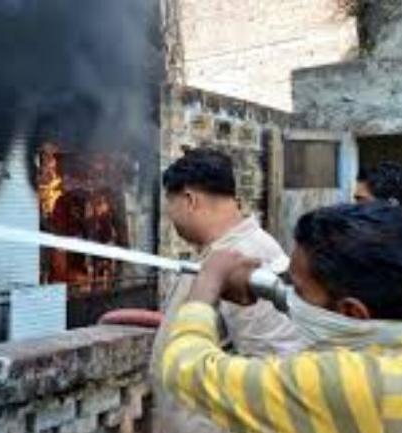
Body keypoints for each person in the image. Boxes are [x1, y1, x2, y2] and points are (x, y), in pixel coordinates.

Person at [104, 148, 304, 433]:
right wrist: (148, 390)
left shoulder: (249, 257)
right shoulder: (218, 254)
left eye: (170, 205)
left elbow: (275, 372)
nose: (171, 217)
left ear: (189, 200)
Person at [162, 203, 402, 433]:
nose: (290, 298)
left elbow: (186, 369)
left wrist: (209, 280)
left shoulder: (357, 384)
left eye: (298, 291)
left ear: (352, 313)